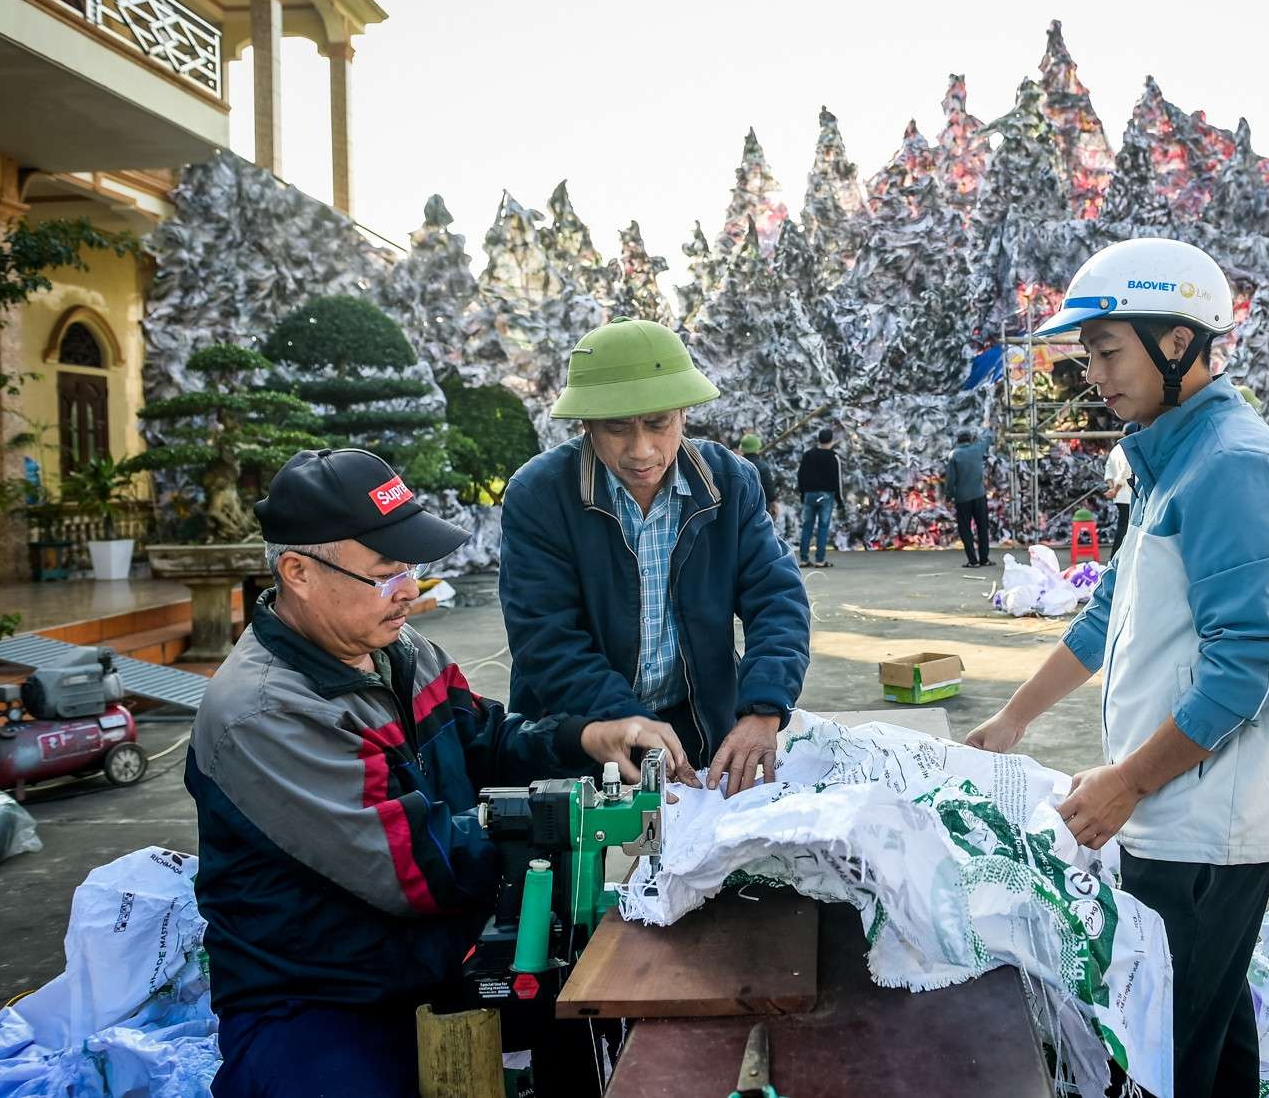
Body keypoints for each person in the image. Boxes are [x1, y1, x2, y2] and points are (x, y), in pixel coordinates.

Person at [187, 448, 698, 1098]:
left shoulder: (396, 649)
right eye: (385, 572)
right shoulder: (264, 712)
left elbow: (487, 738)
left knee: (619, 1029)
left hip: (433, 955)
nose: (409, 590)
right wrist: (570, 818)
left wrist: (590, 737)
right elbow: (414, 866)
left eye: (412, 569)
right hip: (319, 995)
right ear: (298, 572)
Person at [966, 237, 1269, 1098]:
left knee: (1166, 1055)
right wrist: (1015, 716)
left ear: (1179, 340)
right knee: (1210, 1023)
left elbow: (1246, 665)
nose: (1094, 373)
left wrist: (1128, 781)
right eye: (1088, 354)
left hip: (1205, 825)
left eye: (1107, 350)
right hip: (1169, 807)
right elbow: (1107, 615)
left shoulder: (1234, 469)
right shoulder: (1169, 460)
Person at [499, 320, 809, 797]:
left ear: (683, 414)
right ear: (587, 425)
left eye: (658, 423)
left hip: (699, 727)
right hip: (580, 728)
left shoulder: (730, 482)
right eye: (617, 428)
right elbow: (546, 639)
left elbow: (777, 599)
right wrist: (630, 722)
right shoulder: (539, 495)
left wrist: (763, 709)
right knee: (581, 863)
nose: (641, 451)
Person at [943, 428, 993, 567]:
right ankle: (985, 559)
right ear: (970, 439)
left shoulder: (954, 455)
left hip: (962, 498)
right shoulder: (978, 449)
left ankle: (973, 561)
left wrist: (948, 497)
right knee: (982, 527)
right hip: (979, 495)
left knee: (965, 529)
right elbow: (988, 437)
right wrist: (983, 431)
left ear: (957, 440)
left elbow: (950, 480)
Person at [796, 427, 844, 569]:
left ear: (818, 439)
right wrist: (840, 501)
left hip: (810, 494)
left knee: (807, 526)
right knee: (823, 527)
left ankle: (804, 559)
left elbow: (800, 476)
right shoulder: (834, 457)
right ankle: (820, 560)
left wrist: (803, 493)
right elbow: (838, 480)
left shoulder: (808, 455)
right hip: (826, 495)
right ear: (831, 440)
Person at [1103, 440, 1133, 556]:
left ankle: (1115, 556)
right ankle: (1118, 556)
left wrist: (1112, 489)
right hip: (1128, 494)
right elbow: (1126, 472)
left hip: (1119, 496)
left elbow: (1109, 471)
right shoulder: (1128, 448)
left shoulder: (1115, 450)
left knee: (1122, 526)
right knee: (1126, 528)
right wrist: (1115, 490)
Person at [739, 432, 779, 517]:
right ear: (757, 449)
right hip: (760, 508)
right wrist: (774, 503)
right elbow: (769, 488)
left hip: (740, 508)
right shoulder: (763, 467)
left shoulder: (737, 465)